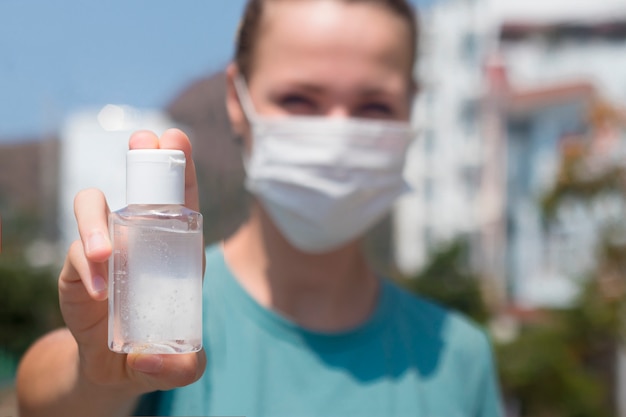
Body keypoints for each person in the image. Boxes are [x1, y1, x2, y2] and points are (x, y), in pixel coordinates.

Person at [16, 0, 503, 416]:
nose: (335, 136)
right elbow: (43, 394)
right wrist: (99, 378)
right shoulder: (160, 325)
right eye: (299, 99)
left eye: (373, 106)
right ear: (236, 98)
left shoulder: (460, 359)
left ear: (412, 107)